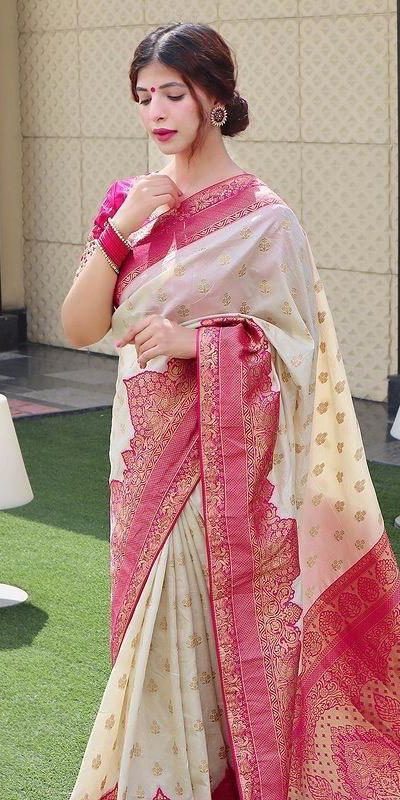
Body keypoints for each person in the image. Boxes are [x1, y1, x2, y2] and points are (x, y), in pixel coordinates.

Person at [61, 22, 400, 800]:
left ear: (214, 98)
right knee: (155, 630)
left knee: (173, 630)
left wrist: (198, 342)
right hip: (137, 461)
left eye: (173, 94)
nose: (156, 111)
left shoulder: (264, 219)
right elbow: (79, 327)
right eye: (143, 96)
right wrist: (119, 229)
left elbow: (302, 353)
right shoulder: (131, 206)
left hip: (216, 473)